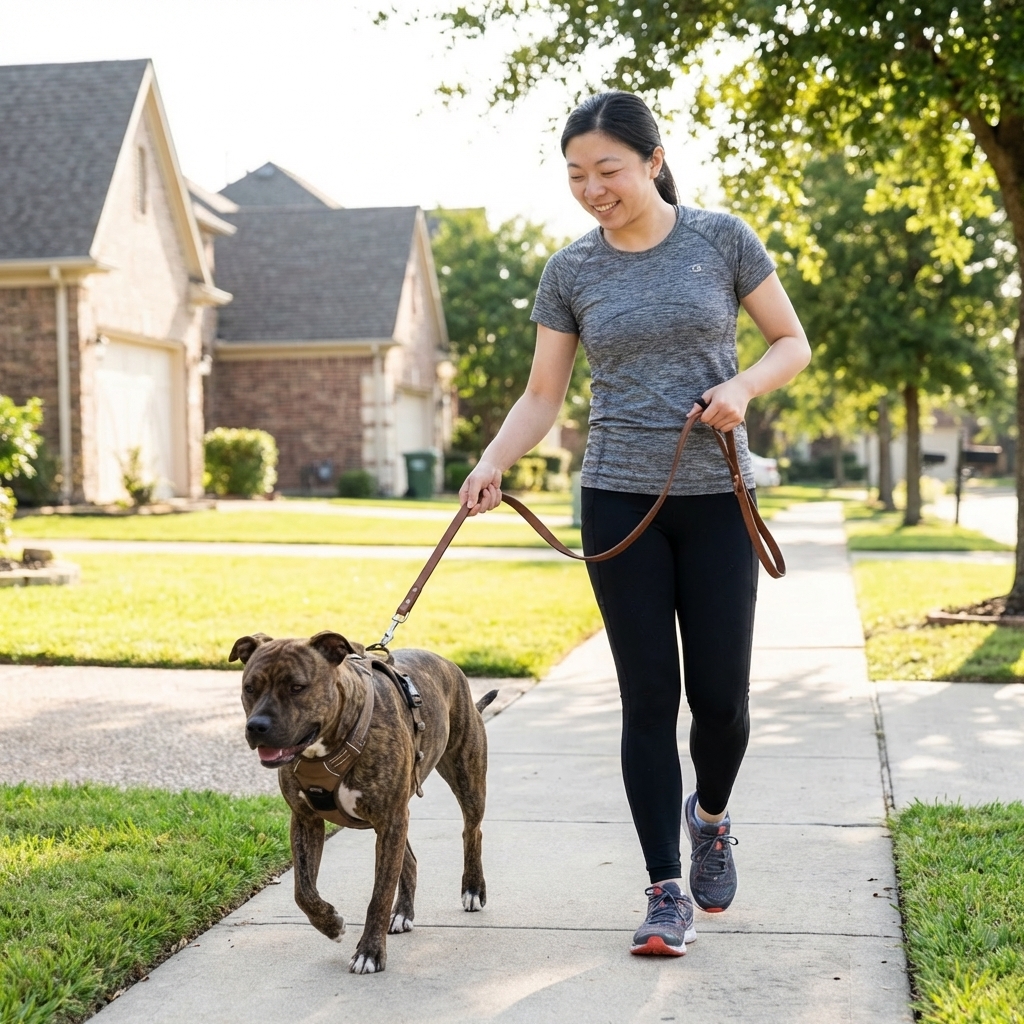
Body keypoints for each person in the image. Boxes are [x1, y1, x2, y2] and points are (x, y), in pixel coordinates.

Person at [460, 91, 811, 957]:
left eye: (608, 169)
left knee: (721, 700)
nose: (592, 188)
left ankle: (713, 818)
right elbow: (544, 394)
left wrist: (741, 388)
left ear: (653, 161)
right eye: (577, 174)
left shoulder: (721, 239)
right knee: (649, 696)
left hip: (719, 495)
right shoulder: (570, 271)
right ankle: (663, 892)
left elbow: (790, 343)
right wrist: (492, 460)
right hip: (620, 496)